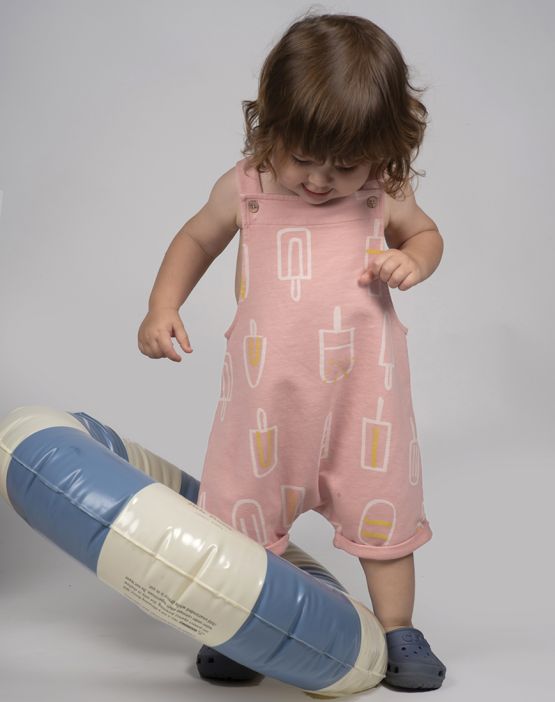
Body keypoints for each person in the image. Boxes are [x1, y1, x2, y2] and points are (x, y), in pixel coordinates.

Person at [138, 11, 447, 692]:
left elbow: (426, 234)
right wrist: (163, 306)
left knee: (383, 513)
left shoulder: (381, 194)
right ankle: (242, 624)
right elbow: (196, 239)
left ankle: (398, 629)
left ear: (383, 150)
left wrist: (414, 259)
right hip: (265, 407)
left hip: (363, 406)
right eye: (303, 158)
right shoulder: (247, 186)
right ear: (269, 127)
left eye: (344, 165)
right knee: (243, 518)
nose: (319, 180)